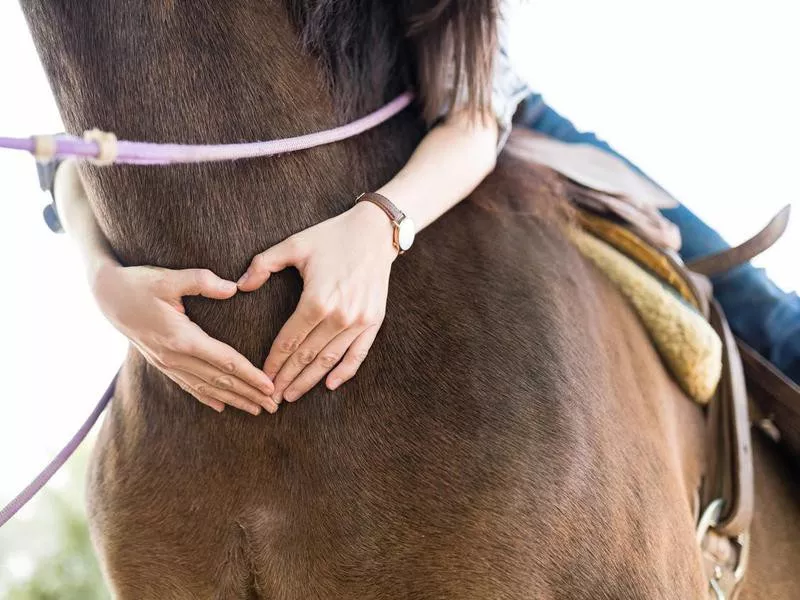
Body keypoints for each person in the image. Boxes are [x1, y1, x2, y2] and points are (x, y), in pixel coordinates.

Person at [38, 7, 799, 417]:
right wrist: (102, 280)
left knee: (762, 315)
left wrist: (380, 224)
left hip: (483, 121)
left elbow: (476, 113)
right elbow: (93, 154)